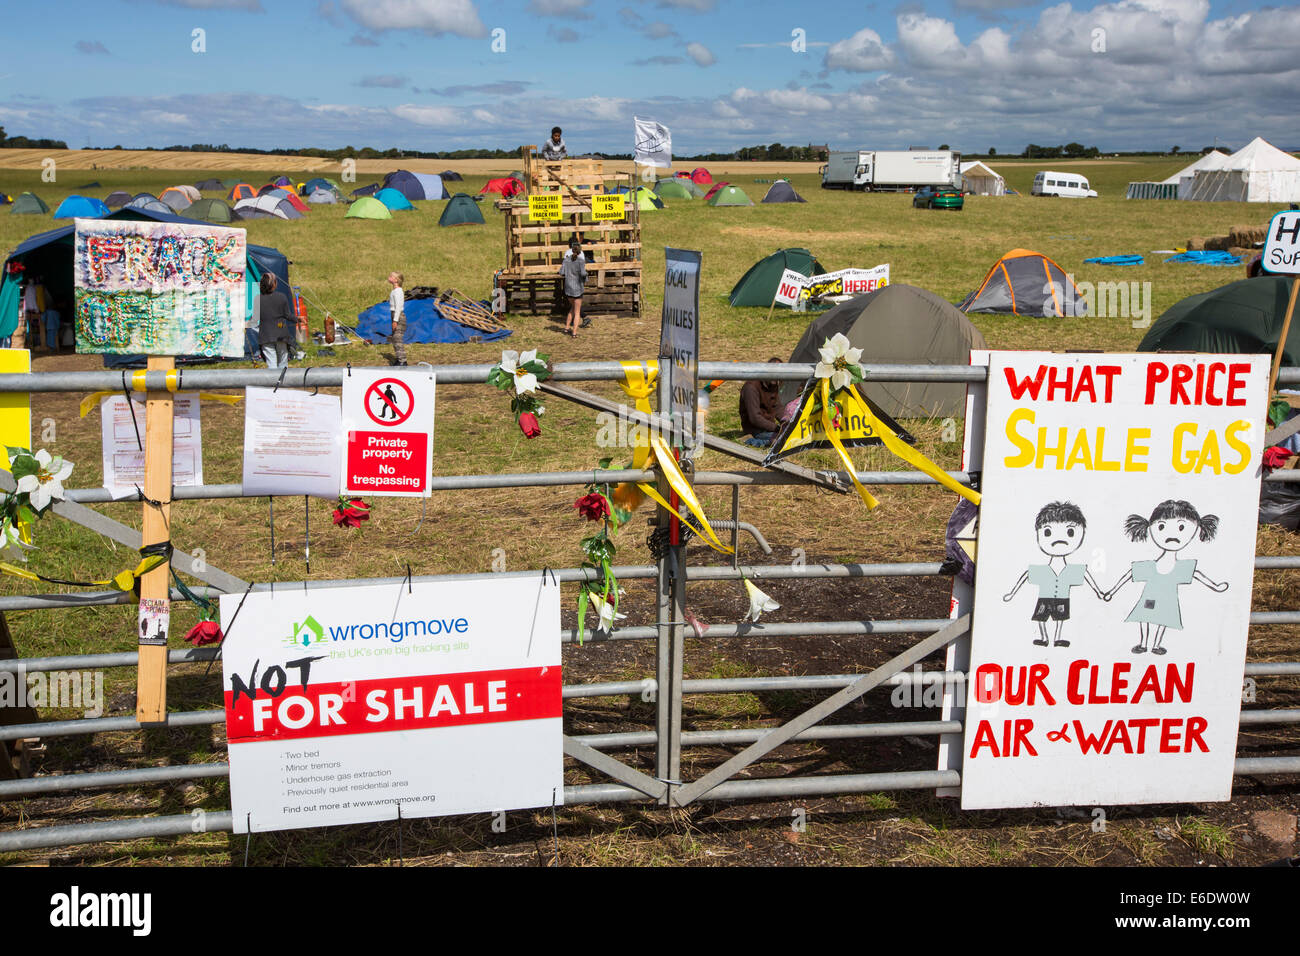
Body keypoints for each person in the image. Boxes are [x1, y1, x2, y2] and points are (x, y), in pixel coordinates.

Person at [1002, 501, 1104, 648]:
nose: (1059, 539)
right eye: (1048, 532)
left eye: (1070, 532)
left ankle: (1058, 638)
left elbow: (1087, 576)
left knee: (1060, 618)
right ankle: (1043, 638)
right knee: (1040, 617)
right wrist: (1011, 593)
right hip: (1044, 597)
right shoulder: (1040, 570)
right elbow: (1025, 576)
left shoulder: (1074, 570)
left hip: (1062, 597)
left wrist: (1099, 592)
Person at [739, 358, 785, 447]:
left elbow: (777, 407)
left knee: (792, 436)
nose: (776, 378)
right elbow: (755, 418)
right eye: (773, 373)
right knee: (783, 440)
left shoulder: (773, 383)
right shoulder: (751, 387)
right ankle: (751, 440)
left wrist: (787, 422)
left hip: (768, 428)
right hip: (755, 429)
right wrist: (777, 428)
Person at [257, 273, 294, 370]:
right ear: (274, 284)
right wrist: (297, 319)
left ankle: (273, 383)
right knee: (283, 362)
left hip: (265, 337)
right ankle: (282, 383)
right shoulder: (281, 297)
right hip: (281, 335)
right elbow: (288, 315)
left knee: (271, 364)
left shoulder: (257, 299)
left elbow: (254, 320)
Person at [561, 239, 587, 336]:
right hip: (577, 288)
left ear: (572, 250)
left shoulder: (566, 260)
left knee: (572, 307)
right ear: (580, 251)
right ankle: (574, 332)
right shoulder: (581, 261)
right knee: (577, 312)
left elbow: (561, 272)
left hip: (568, 287)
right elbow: (583, 273)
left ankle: (567, 328)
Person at [388, 271, 407, 366]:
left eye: (391, 276)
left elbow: (398, 307)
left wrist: (395, 320)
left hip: (398, 315)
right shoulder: (394, 291)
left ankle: (402, 361)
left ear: (396, 280)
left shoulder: (398, 291)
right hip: (394, 314)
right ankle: (399, 358)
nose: (389, 277)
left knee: (398, 338)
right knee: (395, 338)